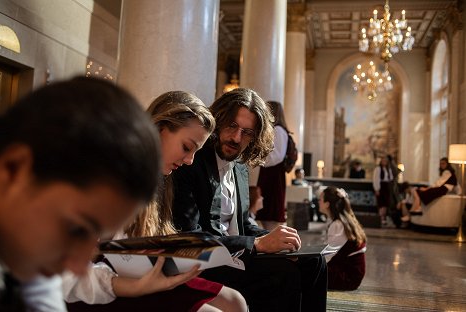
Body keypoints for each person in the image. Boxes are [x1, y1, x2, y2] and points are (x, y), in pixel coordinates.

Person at [63, 91, 247, 312]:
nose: (190, 161)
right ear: (158, 131)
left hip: (130, 274)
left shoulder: (156, 179)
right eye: (187, 148)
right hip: (96, 284)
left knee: (235, 301)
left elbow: (135, 241)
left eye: (195, 152)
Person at [0, 77, 161, 311]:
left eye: (97, 238)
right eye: (77, 229)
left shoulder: (25, 261)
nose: (78, 267)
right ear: (14, 169)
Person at [172, 88, 328, 312]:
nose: (236, 138)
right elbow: (192, 238)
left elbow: (244, 224)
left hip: (237, 254)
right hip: (209, 261)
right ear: (218, 120)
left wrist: (275, 239)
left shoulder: (240, 166)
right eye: (232, 126)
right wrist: (256, 244)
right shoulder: (191, 163)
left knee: (314, 262)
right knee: (284, 274)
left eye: (247, 132)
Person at [318, 187, 366, 291]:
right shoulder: (340, 222)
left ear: (327, 204)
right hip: (350, 273)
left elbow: (327, 256)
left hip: (347, 278)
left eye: (320, 199)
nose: (318, 201)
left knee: (307, 271)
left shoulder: (337, 225)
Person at [255, 101, 289, 230]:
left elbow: (277, 156)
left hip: (273, 174)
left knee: (270, 210)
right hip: (269, 173)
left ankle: (270, 238)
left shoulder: (279, 130)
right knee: (265, 210)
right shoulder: (275, 130)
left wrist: (260, 158)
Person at [372, 156, 395, 227]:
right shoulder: (378, 169)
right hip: (381, 187)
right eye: (383, 161)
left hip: (386, 187)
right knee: (381, 203)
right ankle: (380, 218)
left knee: (385, 204)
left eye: (386, 161)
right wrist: (376, 189)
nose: (384, 162)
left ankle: (384, 218)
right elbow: (376, 179)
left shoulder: (388, 169)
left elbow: (391, 178)